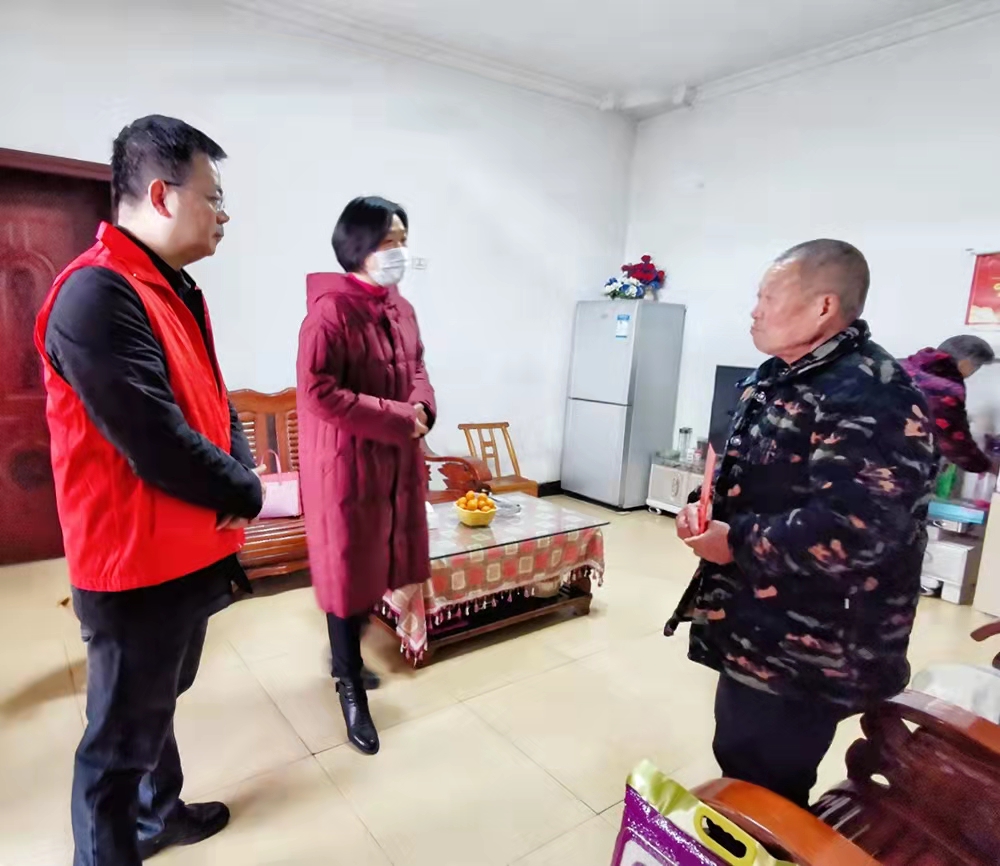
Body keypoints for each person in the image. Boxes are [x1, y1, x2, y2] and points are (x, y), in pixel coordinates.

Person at [34, 116, 263, 865]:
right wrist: (246, 490)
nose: (224, 214)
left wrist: (240, 468)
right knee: (116, 749)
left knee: (157, 702)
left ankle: (159, 815)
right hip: (134, 567)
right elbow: (155, 440)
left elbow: (214, 402)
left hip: (184, 550)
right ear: (163, 195)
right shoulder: (95, 293)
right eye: (214, 197)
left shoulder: (171, 288)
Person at [665, 240, 937, 809]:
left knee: (767, 779)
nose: (754, 311)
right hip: (757, 621)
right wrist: (703, 507)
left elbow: (859, 529)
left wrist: (736, 542)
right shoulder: (776, 376)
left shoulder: (872, 393)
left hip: (814, 646)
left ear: (823, 307)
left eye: (768, 297)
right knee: (742, 755)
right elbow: (750, 473)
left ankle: (774, 842)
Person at [296, 196, 435, 756]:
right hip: (346, 467)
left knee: (377, 565)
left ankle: (343, 656)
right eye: (387, 241)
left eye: (403, 239)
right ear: (357, 245)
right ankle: (350, 685)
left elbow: (418, 365)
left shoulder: (401, 307)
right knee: (347, 571)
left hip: (394, 462)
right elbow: (318, 391)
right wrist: (401, 417)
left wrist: (423, 405)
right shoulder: (329, 312)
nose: (399, 250)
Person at [900, 335, 995, 473]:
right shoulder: (946, 387)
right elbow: (953, 443)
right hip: (899, 463)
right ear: (966, 363)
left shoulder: (906, 365)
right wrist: (985, 466)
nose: (974, 372)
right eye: (977, 366)